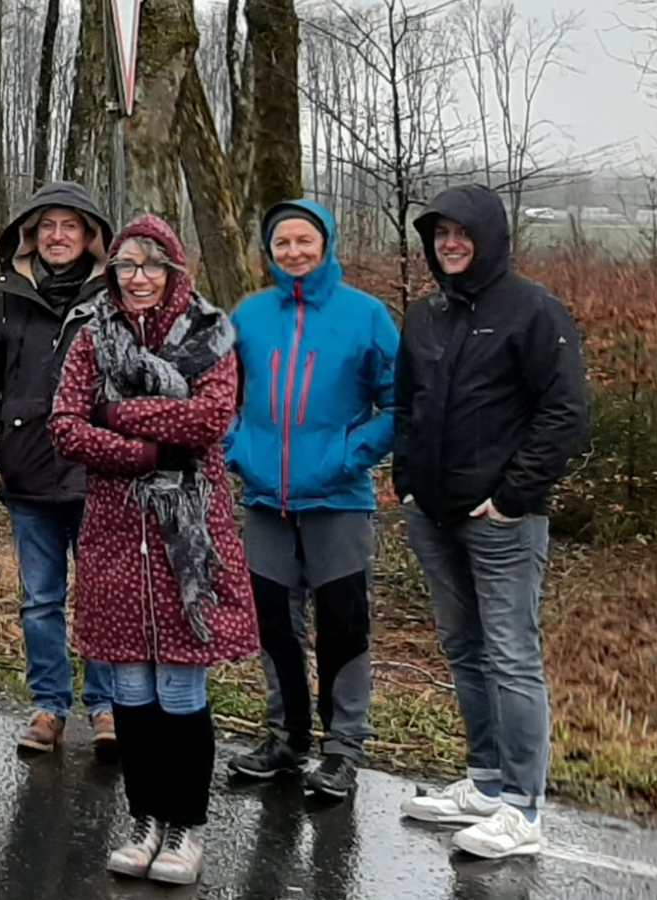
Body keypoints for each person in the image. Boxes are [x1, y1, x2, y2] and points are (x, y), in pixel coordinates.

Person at [49, 215, 259, 885]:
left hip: (187, 537)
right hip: (114, 530)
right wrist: (143, 447)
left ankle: (185, 827)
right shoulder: (92, 335)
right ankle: (143, 820)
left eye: (151, 264)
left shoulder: (210, 334)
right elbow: (66, 427)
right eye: (126, 266)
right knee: (131, 689)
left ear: (174, 270)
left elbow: (208, 419)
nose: (138, 277)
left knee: (179, 686)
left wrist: (117, 411)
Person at [394, 184, 588, 858]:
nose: (449, 243)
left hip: (502, 520)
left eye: (461, 232)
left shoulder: (533, 310)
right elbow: (406, 403)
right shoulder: (426, 315)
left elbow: (564, 412)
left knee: (511, 656)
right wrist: (408, 483)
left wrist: (512, 496)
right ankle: (484, 782)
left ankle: (522, 811)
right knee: (464, 649)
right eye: (439, 233)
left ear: (490, 235)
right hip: (434, 514)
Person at [224, 200, 398, 801]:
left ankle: (342, 750)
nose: (294, 252)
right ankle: (287, 741)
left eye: (305, 241)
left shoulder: (367, 316)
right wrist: (236, 450)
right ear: (269, 252)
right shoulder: (248, 316)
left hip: (340, 501)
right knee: (274, 625)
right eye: (282, 244)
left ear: (327, 244)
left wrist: (352, 455)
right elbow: (221, 397)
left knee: (343, 629)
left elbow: (401, 404)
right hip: (266, 502)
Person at [0, 182, 116, 754]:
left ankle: (106, 707)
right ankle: (49, 708)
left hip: (97, 476)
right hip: (27, 475)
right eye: (47, 226)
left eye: (70, 226)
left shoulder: (114, 297)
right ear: (31, 236)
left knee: (100, 596)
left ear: (90, 237)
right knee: (41, 600)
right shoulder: (6, 296)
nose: (57, 236)